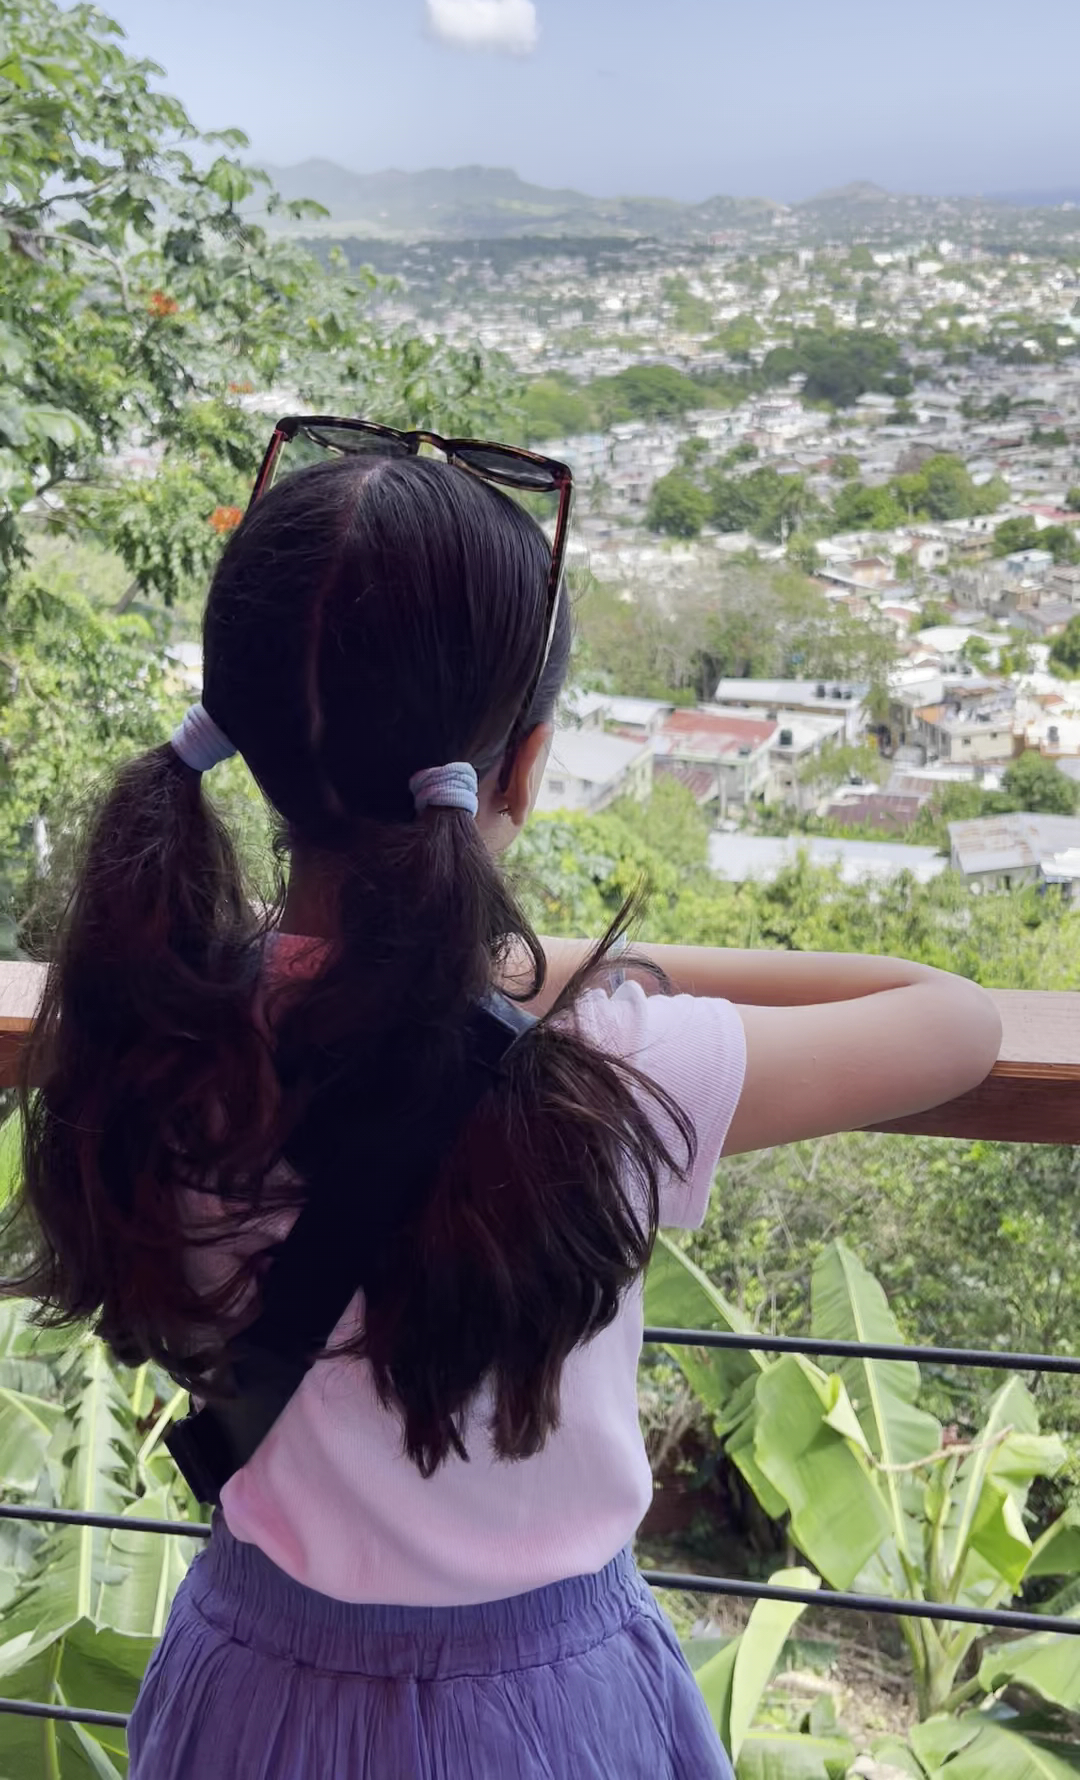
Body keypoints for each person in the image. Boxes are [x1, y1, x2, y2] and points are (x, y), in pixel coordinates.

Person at [10, 438, 1001, 1780]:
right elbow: (956, 1021)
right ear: (522, 769)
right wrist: (542, 970)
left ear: (246, 742)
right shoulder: (602, 1062)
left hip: (253, 1698)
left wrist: (479, 966)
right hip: (541, 1719)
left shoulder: (160, 1022)